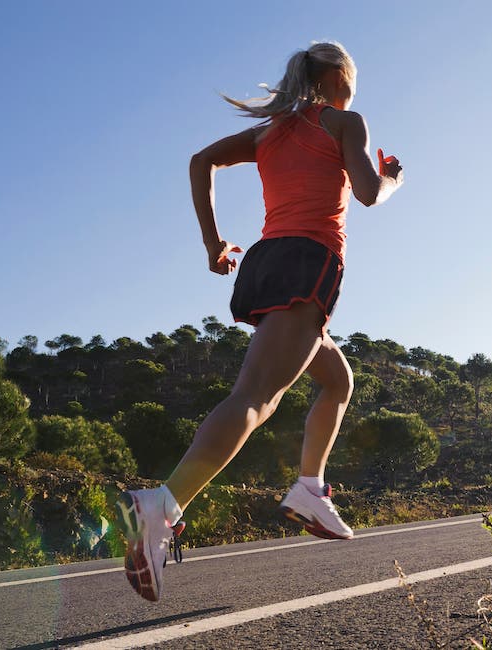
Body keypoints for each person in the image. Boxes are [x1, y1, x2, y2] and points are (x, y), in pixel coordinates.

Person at [116, 41, 404, 602]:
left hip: (268, 262)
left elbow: (201, 161)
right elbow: (368, 195)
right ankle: (160, 505)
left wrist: (212, 245)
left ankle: (309, 488)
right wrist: (392, 176)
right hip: (308, 260)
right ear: (340, 78)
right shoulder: (346, 121)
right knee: (256, 398)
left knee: (337, 380)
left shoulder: (270, 131)